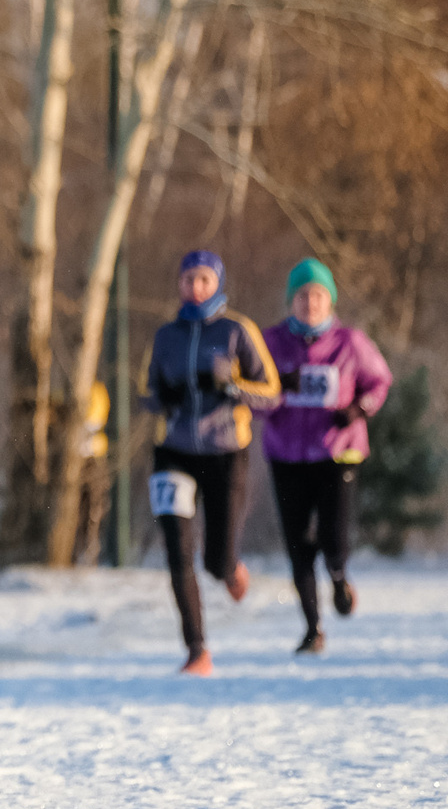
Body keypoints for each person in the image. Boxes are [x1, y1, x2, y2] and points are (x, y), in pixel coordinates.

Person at [141, 249, 279, 676]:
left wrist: (232, 387)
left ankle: (231, 567)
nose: (195, 287)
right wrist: (165, 398)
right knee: (178, 553)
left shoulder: (237, 330)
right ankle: (197, 650)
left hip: (224, 453)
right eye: (188, 280)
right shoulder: (166, 336)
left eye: (203, 279)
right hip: (174, 452)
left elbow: (271, 394)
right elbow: (148, 391)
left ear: (217, 282)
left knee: (215, 561)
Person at [261, 258, 392, 656]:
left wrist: (358, 409)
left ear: (330, 300)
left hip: (338, 453)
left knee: (333, 537)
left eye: (318, 295)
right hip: (286, 454)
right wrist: (275, 388)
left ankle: (338, 576)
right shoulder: (270, 343)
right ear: (290, 301)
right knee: (298, 543)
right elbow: (249, 391)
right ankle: (312, 628)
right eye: (302, 295)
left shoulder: (350, 342)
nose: (310, 303)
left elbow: (380, 381)